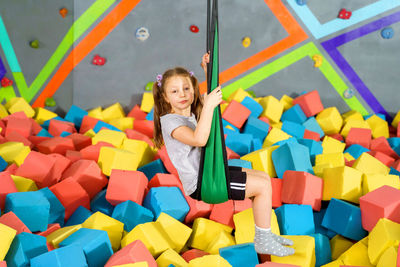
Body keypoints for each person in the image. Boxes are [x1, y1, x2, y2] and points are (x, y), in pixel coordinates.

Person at [152, 53, 295, 257]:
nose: (182, 94)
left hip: (212, 172)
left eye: (186, 88)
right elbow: (199, 139)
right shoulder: (171, 122)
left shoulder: (191, 114)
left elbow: (210, 97)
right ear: (165, 97)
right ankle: (262, 239)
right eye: (174, 91)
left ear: (193, 89)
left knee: (263, 178)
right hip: (203, 184)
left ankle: (267, 234)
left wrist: (206, 71)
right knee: (262, 187)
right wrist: (209, 104)